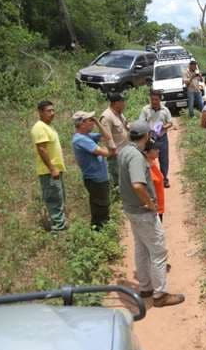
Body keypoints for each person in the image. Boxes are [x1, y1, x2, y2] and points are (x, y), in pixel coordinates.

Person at [118, 120, 184, 307]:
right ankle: (159, 294)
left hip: (131, 209)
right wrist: (150, 204)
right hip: (142, 211)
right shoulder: (137, 157)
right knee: (158, 251)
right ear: (146, 136)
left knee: (141, 248)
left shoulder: (124, 151)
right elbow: (138, 184)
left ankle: (146, 287)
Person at [71, 111, 113, 229]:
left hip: (99, 177)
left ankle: (101, 229)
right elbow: (105, 153)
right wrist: (106, 148)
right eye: (90, 120)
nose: (92, 123)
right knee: (101, 207)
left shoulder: (87, 136)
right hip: (95, 179)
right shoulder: (80, 139)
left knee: (102, 206)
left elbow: (107, 136)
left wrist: (98, 123)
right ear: (82, 124)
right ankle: (100, 230)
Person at [30, 100, 67, 232]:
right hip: (49, 172)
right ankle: (58, 230)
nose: (52, 113)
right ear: (40, 112)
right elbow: (42, 149)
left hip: (55, 170)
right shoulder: (39, 127)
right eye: (48, 111)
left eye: (53, 110)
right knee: (54, 200)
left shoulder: (48, 126)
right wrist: (52, 168)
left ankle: (61, 227)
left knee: (59, 198)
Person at [138, 90, 173, 188]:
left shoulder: (165, 110)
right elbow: (141, 122)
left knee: (164, 159)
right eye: (152, 99)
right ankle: (150, 180)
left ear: (160, 99)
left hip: (162, 138)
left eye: (156, 99)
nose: (154, 101)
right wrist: (148, 129)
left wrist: (164, 127)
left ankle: (164, 179)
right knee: (148, 160)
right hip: (149, 138)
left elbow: (170, 122)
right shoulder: (145, 110)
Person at [99, 92, 128, 188]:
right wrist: (114, 151)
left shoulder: (119, 113)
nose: (124, 104)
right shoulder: (106, 117)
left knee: (125, 177)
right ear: (116, 103)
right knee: (118, 178)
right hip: (116, 154)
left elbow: (125, 126)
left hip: (124, 151)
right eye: (122, 102)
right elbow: (108, 137)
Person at [145, 139, 166, 223]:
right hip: (152, 210)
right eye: (155, 149)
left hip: (159, 208)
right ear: (146, 152)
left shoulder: (153, 162)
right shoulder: (147, 169)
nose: (158, 150)